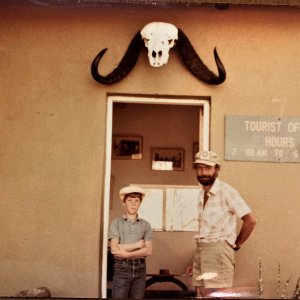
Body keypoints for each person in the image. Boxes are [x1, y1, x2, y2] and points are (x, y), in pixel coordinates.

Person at [189, 150, 257, 297]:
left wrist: (236, 244)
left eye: (207, 168)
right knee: (202, 293)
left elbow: (250, 221)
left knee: (218, 294)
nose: (203, 172)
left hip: (218, 249)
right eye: (199, 168)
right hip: (201, 249)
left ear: (216, 169)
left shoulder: (226, 191)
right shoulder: (202, 193)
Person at [108, 185, 153, 299]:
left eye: (136, 201)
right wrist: (138, 245)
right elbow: (114, 249)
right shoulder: (116, 223)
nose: (133, 203)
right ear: (124, 203)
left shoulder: (145, 225)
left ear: (140, 203)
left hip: (140, 268)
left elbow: (148, 250)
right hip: (121, 268)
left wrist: (127, 254)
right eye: (130, 200)